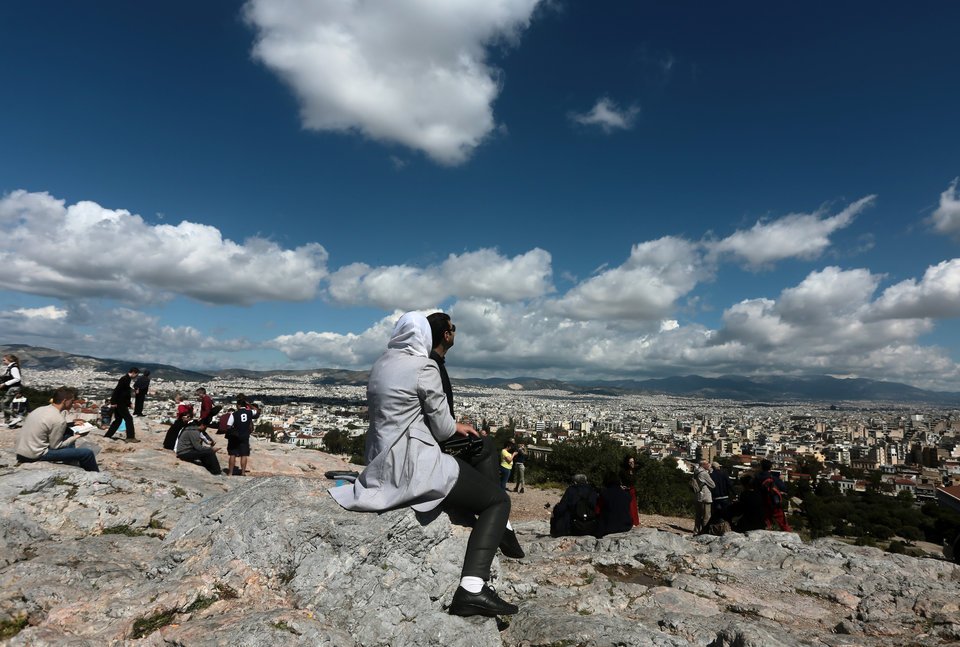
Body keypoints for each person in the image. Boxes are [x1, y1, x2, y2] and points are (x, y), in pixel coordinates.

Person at [330, 312, 519, 617]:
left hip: (379, 463)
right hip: (415, 466)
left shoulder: (381, 365)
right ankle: (472, 588)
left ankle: (490, 535)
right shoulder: (424, 367)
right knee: (498, 500)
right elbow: (444, 429)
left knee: (478, 483)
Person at [15, 386, 99, 472]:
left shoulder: (40, 409)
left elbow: (51, 425)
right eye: (72, 401)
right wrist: (78, 436)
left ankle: (69, 459)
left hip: (21, 453)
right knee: (87, 453)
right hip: (35, 455)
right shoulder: (58, 419)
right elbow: (56, 446)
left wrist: (71, 424)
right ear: (65, 401)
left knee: (68, 430)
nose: (72, 404)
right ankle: (96, 476)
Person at [224, 395, 259, 476]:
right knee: (244, 455)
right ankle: (243, 472)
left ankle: (230, 472)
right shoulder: (249, 412)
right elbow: (257, 411)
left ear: (238, 405)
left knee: (232, 454)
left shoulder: (234, 414)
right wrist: (249, 405)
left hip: (235, 436)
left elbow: (228, 425)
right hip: (245, 436)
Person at [753, 459, 792, 531]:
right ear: (770, 468)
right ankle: (788, 534)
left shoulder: (757, 478)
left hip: (762, 503)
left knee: (766, 521)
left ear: (761, 467)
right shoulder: (773, 478)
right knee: (782, 522)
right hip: (774, 503)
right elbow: (784, 488)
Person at [105, 367, 139, 442]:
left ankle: (107, 435)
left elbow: (124, 391)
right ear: (133, 372)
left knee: (118, 420)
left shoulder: (126, 379)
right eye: (136, 374)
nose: (136, 376)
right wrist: (113, 402)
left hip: (120, 403)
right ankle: (130, 437)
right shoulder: (124, 379)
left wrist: (129, 402)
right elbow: (117, 390)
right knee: (129, 419)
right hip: (120, 403)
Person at [597, 471, 633, 537]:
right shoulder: (626, 494)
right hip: (626, 526)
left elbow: (597, 510)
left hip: (609, 527)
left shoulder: (604, 493)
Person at [691, 460, 715, 534]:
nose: (709, 465)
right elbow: (713, 485)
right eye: (707, 464)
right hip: (705, 497)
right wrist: (710, 473)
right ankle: (705, 531)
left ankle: (696, 530)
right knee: (706, 516)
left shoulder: (696, 471)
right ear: (703, 465)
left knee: (698, 515)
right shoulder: (704, 473)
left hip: (697, 496)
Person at [1, 354, 23, 427]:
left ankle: (17, 417)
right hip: (12, 388)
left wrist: (5, 384)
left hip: (13, 388)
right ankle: (7, 421)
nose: (3, 361)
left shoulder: (13, 368)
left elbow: (17, 378)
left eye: (4, 360)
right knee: (6, 404)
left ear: (9, 360)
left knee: (3, 404)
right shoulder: (10, 367)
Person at [620, 455, 640, 526]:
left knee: (633, 506)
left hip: (632, 490)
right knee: (628, 507)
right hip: (625, 491)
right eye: (630, 462)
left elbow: (642, 464)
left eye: (633, 462)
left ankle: (634, 521)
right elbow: (621, 481)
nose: (632, 463)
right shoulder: (623, 471)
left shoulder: (634, 470)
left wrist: (634, 462)